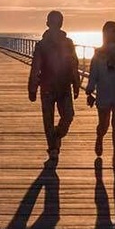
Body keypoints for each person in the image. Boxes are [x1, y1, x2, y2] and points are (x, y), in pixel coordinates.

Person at [28, 10, 80, 160]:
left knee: (68, 116)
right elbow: (35, 67)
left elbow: (74, 64)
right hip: (47, 86)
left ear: (62, 23)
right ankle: (53, 148)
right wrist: (32, 88)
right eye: (53, 22)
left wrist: (76, 84)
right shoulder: (42, 45)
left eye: (58, 22)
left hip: (64, 86)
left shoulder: (68, 43)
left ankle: (57, 135)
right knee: (48, 119)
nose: (56, 25)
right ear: (48, 24)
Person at [85, 21, 115, 163]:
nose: (111, 34)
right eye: (108, 32)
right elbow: (93, 73)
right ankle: (99, 137)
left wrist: (113, 50)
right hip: (103, 92)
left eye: (114, 31)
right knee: (103, 124)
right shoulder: (98, 53)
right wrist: (90, 89)